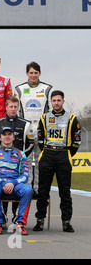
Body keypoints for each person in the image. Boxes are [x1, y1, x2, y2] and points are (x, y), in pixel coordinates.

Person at [33, 90, 81, 233]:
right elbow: (40, 139)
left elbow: (77, 141)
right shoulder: (44, 117)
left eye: (59, 100)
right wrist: (47, 150)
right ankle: (40, 220)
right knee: (43, 190)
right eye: (54, 100)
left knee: (65, 191)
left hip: (63, 154)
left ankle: (66, 221)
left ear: (63, 101)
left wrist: (66, 152)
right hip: (47, 153)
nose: (56, 103)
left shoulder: (71, 118)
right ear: (50, 102)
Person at [0, 95, 34, 225]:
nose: (13, 109)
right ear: (6, 107)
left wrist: (21, 157)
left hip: (19, 164)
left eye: (16, 107)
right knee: (1, 188)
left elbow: (31, 143)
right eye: (11, 106)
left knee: (20, 188)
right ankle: (2, 216)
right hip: (1, 165)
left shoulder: (26, 124)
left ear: (18, 108)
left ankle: (16, 216)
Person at [14, 62, 53, 193]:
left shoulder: (47, 88)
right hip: (26, 131)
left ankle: (39, 187)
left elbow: (51, 111)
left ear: (39, 73)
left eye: (36, 73)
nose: (33, 75)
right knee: (26, 160)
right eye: (31, 73)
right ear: (27, 74)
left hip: (42, 131)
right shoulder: (19, 89)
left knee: (41, 161)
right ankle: (28, 187)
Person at [0, 126, 31, 235]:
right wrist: (3, 182)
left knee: (28, 189)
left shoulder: (21, 153)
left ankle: (20, 223)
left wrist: (13, 183)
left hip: (15, 183)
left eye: (9, 134)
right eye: (4, 134)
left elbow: (25, 174)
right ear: (0, 137)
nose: (7, 137)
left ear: (13, 137)